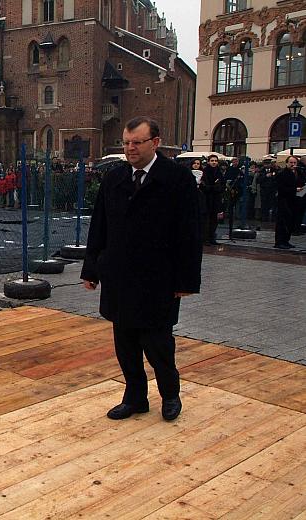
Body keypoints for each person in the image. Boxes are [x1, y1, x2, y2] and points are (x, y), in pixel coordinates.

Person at [81, 116, 202, 422]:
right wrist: (92, 269)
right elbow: (100, 226)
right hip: (119, 277)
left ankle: (170, 395)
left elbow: (190, 232)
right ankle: (135, 398)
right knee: (125, 345)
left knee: (158, 344)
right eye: (126, 142)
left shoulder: (177, 178)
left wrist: (186, 279)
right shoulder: (114, 178)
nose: (130, 149)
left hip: (158, 279)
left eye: (137, 142)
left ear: (155, 143)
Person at [274, 156, 299, 249]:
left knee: (290, 222)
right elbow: (281, 188)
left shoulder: (296, 173)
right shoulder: (282, 174)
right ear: (287, 163)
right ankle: (279, 241)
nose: (293, 165)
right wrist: (294, 189)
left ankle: (286, 240)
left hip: (292, 201)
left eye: (294, 163)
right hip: (283, 201)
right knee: (282, 222)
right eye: (291, 163)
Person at [199, 154, 223, 245]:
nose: (214, 162)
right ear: (208, 162)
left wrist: (216, 187)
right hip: (207, 199)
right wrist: (214, 187)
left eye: (216, 161)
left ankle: (212, 237)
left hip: (216, 199)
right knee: (206, 220)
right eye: (212, 161)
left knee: (214, 219)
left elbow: (221, 185)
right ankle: (205, 239)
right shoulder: (204, 172)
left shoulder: (218, 172)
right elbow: (205, 186)